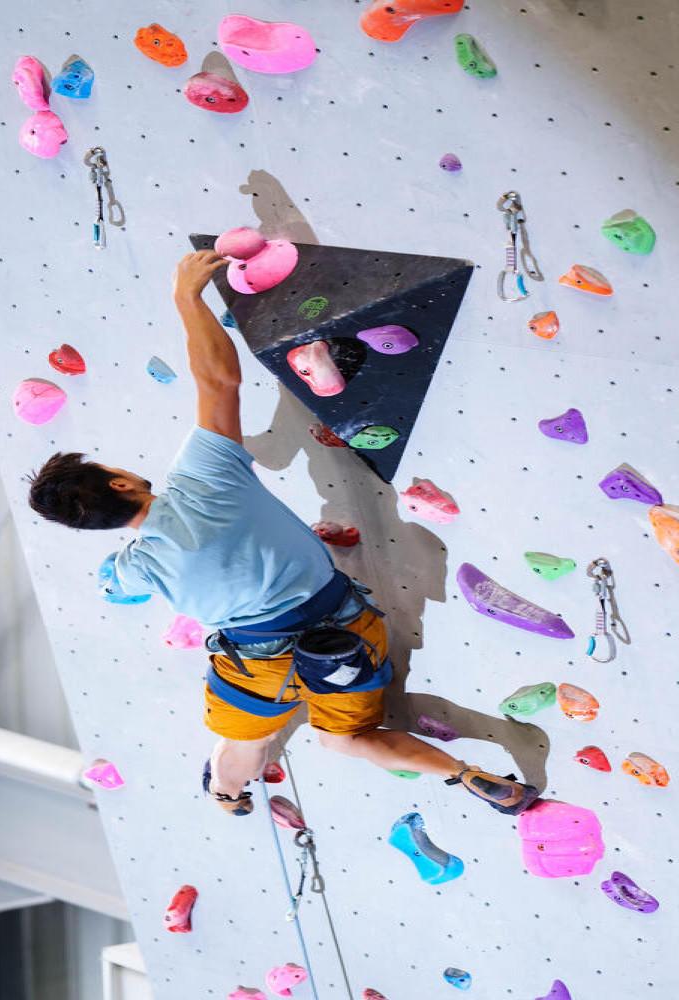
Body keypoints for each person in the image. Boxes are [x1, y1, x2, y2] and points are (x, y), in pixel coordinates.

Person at [27, 250, 540, 818]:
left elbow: (117, 585)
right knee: (345, 732)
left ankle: (228, 793)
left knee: (243, 744)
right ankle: (463, 772)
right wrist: (186, 297)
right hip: (344, 631)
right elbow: (219, 382)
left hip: (257, 663)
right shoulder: (203, 478)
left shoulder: (135, 567)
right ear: (121, 481)